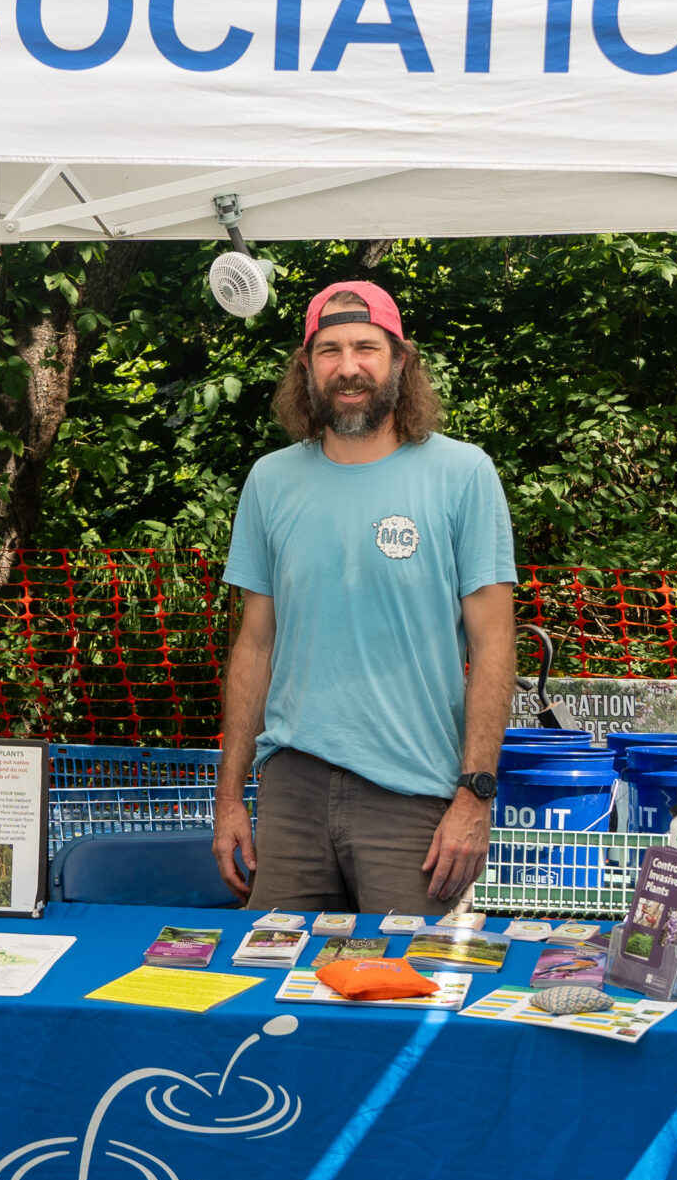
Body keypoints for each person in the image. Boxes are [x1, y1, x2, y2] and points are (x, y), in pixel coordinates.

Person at [210, 280, 517, 913]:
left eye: (366, 348)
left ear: (400, 360)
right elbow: (255, 645)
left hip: (413, 795)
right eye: (329, 351)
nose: (348, 367)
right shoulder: (271, 481)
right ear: (307, 367)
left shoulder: (463, 475)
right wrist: (230, 797)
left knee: (407, 991)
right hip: (291, 787)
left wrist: (474, 797)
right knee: (263, 987)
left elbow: (494, 646)